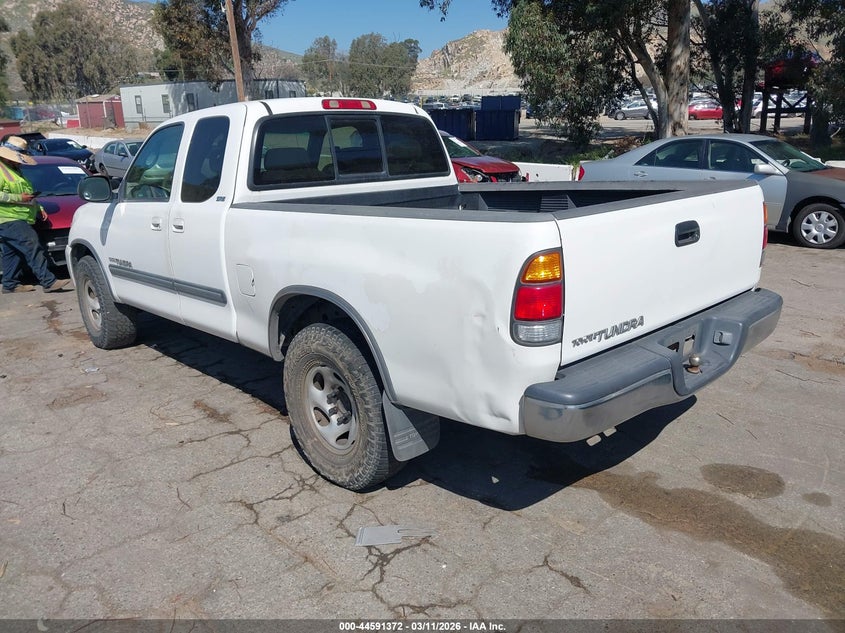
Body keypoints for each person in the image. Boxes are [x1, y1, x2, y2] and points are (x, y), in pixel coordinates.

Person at [0, 137, 70, 294]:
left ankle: (10, 284)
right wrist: (19, 198)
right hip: (8, 218)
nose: (20, 162)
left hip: (18, 217)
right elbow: (18, 196)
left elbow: (27, 193)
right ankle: (48, 281)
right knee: (32, 245)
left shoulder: (15, 170)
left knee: (12, 252)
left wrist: (38, 207)